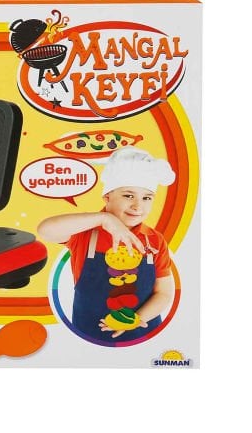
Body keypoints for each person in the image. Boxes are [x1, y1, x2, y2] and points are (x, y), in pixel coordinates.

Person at [37, 147, 176, 342]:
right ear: (107, 197)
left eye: (146, 198)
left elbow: (164, 293)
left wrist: (137, 319)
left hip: (141, 336)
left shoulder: (154, 240)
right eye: (128, 196)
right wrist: (104, 219)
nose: (138, 206)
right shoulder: (85, 232)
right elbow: (45, 230)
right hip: (87, 336)